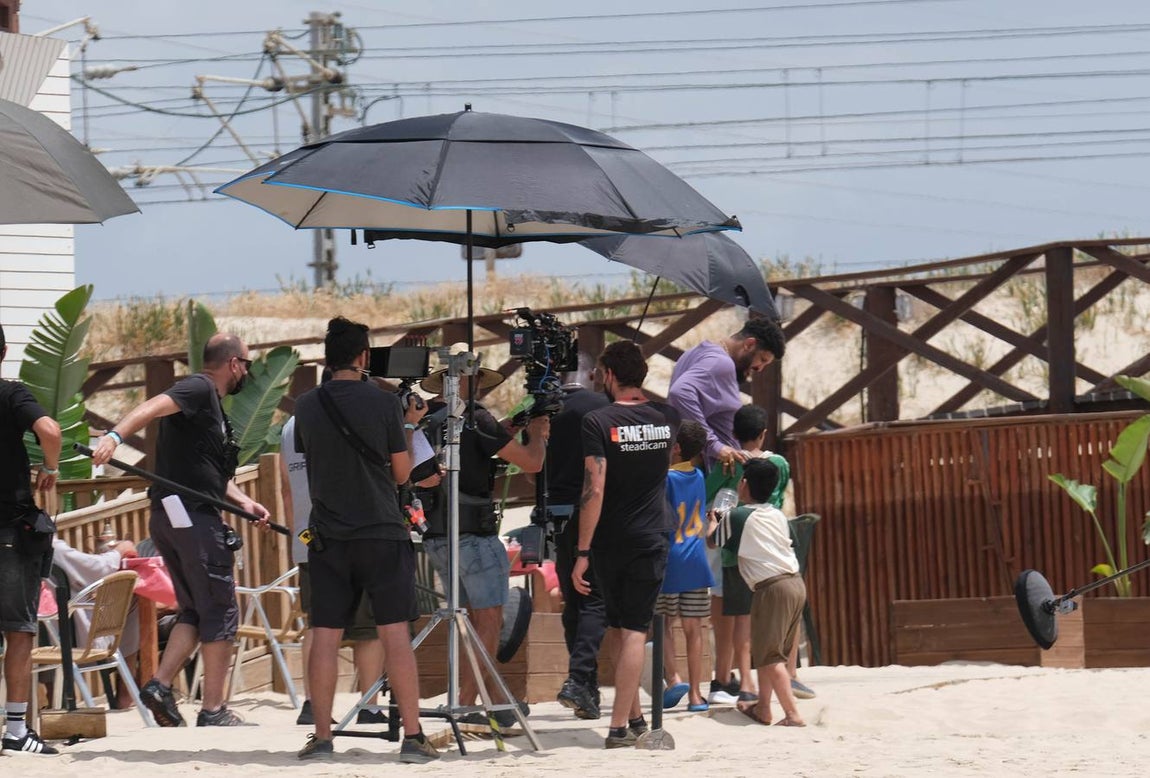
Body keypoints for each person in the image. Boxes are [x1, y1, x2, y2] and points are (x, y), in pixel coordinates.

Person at [91, 332, 271, 728]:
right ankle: (213, 710)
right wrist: (115, 436)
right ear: (235, 364)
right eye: (248, 366)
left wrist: (243, 501)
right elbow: (153, 405)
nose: (248, 374)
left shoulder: (209, 409)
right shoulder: (199, 387)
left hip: (174, 514)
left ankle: (159, 684)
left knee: (194, 608)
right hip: (192, 518)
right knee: (221, 610)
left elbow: (205, 471)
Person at [291, 317, 436, 763]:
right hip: (381, 531)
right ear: (363, 358)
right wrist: (410, 426)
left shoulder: (307, 405)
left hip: (330, 535)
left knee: (326, 636)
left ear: (328, 358)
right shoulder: (383, 404)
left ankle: (321, 736)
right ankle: (412, 736)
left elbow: (307, 458)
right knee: (395, 634)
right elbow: (400, 474)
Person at [418, 351, 549, 728]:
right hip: (474, 535)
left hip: (437, 536)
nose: (477, 387)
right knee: (489, 618)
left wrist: (509, 425)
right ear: (462, 378)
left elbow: (476, 446)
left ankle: (492, 698)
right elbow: (531, 462)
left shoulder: (427, 420)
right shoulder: (475, 418)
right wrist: (538, 433)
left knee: (468, 620)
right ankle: (468, 700)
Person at [668, 318, 785, 704]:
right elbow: (681, 393)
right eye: (762, 359)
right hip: (716, 479)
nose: (759, 369)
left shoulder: (697, 352)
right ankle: (717, 680)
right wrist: (715, 445)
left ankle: (703, 679)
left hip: (704, 477)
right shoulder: (719, 363)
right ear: (749, 344)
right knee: (719, 583)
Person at [572, 341, 680, 749]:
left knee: (623, 630)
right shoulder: (667, 416)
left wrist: (581, 552)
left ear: (611, 376)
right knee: (630, 629)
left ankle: (617, 728)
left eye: (600, 374)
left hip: (609, 538)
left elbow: (593, 487)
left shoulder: (597, 421)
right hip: (651, 534)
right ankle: (633, 717)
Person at [279, 410, 387, 728]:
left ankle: (313, 704)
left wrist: (295, 534)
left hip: (307, 537)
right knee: (368, 627)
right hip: (353, 534)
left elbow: (287, 488)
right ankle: (369, 706)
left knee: (318, 625)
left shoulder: (291, 425)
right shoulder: (347, 416)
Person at [0, 323, 62, 755]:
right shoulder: (11, 394)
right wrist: (51, 467)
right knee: (19, 630)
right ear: (3, 351)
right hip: (8, 529)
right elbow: (52, 431)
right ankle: (16, 729)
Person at [716, 458, 806, 727]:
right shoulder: (777, 514)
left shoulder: (738, 515)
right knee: (770, 652)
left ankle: (792, 714)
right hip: (795, 582)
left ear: (744, 484)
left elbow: (713, 541)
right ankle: (764, 708)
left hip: (771, 589)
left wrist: (714, 522)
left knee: (769, 657)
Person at [547, 376, 609, 720]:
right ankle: (578, 679)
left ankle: (588, 688)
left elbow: (532, 467)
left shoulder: (543, 409)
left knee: (574, 600)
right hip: (592, 512)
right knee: (595, 598)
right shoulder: (601, 407)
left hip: (557, 513)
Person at [655, 420, 713, 712]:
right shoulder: (700, 476)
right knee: (694, 629)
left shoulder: (664, 479)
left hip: (670, 559)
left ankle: (673, 678)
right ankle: (695, 694)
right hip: (696, 559)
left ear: (676, 447)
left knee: (663, 624)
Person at [50, 535, 142, 709]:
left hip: (35, 629)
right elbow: (96, 569)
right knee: (132, 598)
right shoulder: (47, 544)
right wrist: (120, 551)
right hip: (66, 633)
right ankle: (125, 696)